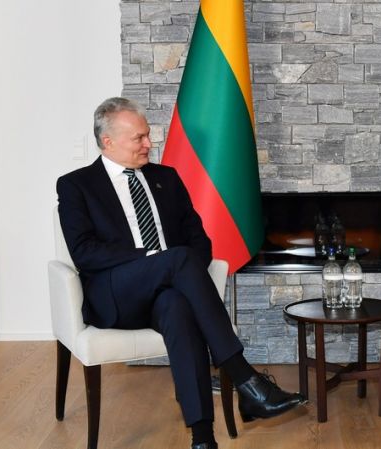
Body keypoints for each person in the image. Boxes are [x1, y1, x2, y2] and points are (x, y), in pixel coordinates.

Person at [56, 97, 306, 449]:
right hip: (117, 293)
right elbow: (84, 252)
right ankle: (245, 378)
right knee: (177, 258)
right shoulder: (76, 185)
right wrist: (154, 259)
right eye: (139, 138)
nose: (149, 143)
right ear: (107, 141)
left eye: (148, 135)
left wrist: (177, 269)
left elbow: (199, 241)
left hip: (167, 289)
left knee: (178, 306)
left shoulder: (166, 178)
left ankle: (203, 439)